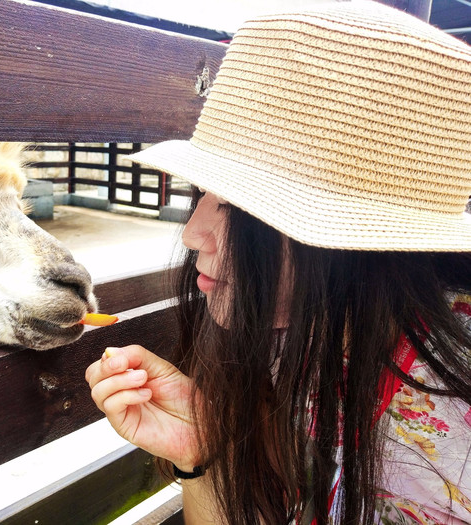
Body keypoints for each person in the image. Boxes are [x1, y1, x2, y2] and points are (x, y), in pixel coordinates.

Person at [85, 2, 471, 524]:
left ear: (362, 241)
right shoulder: (278, 334)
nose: (193, 233)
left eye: (239, 208)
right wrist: (203, 451)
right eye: (202, 192)